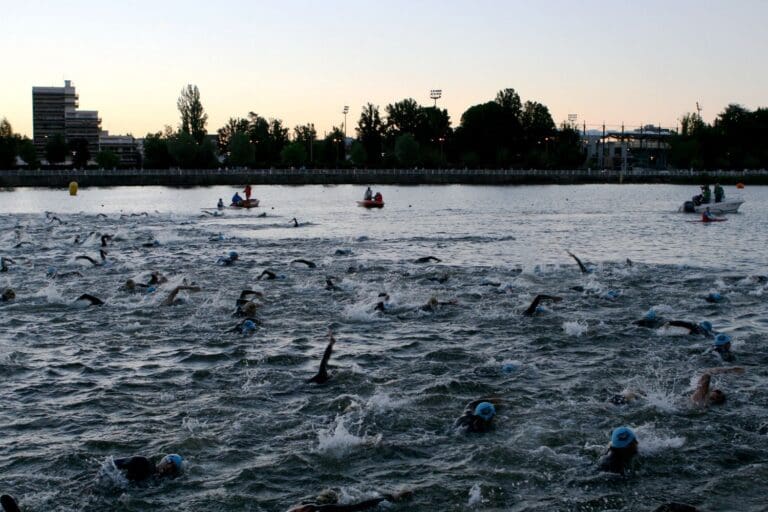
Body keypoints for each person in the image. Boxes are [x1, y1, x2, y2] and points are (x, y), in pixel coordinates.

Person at [287, 489, 412, 512]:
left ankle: (394, 496)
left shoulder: (324, 509)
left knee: (356, 507)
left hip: (325, 508)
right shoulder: (304, 505)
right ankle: (394, 496)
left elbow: (308, 507)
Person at [112, 453, 184, 482]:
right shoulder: (143, 462)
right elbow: (112, 464)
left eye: (172, 468)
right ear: (163, 460)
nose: (168, 467)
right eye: (169, 462)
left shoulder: (158, 483)